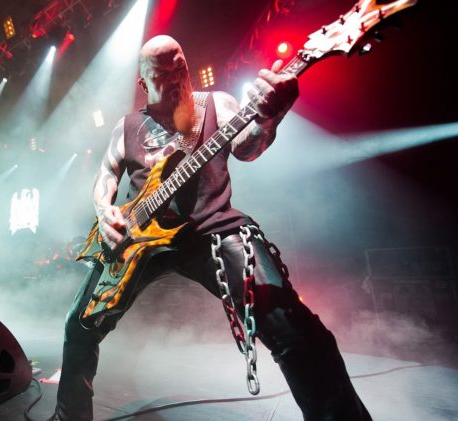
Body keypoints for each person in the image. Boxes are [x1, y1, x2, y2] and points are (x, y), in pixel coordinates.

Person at [50, 35, 371, 421]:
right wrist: (105, 212)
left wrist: (271, 117)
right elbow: (105, 177)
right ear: (143, 84)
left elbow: (247, 149)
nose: (174, 80)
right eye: (161, 74)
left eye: (179, 68)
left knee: (294, 328)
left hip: (212, 230)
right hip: (137, 241)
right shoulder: (127, 126)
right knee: (79, 325)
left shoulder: (217, 104)